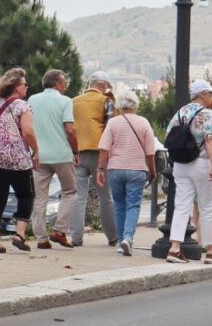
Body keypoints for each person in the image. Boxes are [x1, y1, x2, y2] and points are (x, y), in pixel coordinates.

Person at [0, 67, 40, 253]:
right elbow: (28, 132)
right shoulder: (22, 106)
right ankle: (19, 235)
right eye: (25, 84)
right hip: (17, 159)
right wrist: (36, 151)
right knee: (26, 194)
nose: (27, 87)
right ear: (16, 87)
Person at [165, 80, 212, 265]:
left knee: (181, 206)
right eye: (210, 93)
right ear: (202, 95)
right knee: (207, 208)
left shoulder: (180, 112)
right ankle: (211, 250)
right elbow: (210, 141)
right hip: (201, 163)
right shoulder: (208, 115)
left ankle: (174, 248)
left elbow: (168, 135)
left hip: (181, 164)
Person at [96, 90, 156, 257]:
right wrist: (153, 170)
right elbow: (150, 152)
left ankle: (122, 241)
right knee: (133, 205)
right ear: (135, 105)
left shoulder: (113, 123)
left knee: (119, 206)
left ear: (120, 106)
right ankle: (128, 238)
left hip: (115, 169)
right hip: (137, 169)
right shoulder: (144, 122)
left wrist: (100, 169)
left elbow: (104, 148)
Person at [27, 69, 79, 249]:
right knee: (70, 192)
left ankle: (41, 238)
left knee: (40, 197)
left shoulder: (32, 100)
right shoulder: (65, 101)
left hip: (39, 155)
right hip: (62, 154)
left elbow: (27, 126)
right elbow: (70, 130)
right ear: (57, 84)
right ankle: (59, 230)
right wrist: (76, 151)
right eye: (64, 83)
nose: (65, 86)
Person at [71, 71, 118, 246]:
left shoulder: (74, 101)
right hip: (99, 154)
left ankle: (76, 238)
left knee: (78, 197)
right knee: (106, 198)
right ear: (104, 85)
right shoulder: (106, 101)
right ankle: (113, 237)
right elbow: (111, 127)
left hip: (77, 152)